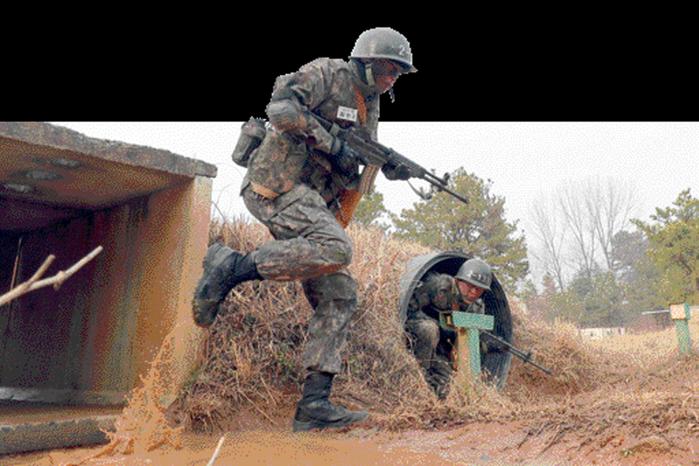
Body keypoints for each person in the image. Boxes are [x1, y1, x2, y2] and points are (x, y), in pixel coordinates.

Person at [191, 27, 417, 432]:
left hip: (309, 201)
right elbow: (280, 109)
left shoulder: (372, 106)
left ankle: (314, 406)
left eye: (399, 73)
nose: (392, 78)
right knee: (337, 247)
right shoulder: (327, 74)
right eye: (388, 68)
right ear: (366, 62)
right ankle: (230, 266)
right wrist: (332, 143)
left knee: (340, 292)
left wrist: (386, 167)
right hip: (276, 183)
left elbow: (355, 160)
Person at [405, 258, 493, 399]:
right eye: (470, 286)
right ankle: (417, 380)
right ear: (458, 281)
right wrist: (439, 323)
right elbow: (408, 309)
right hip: (417, 337)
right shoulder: (439, 286)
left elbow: (474, 337)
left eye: (479, 289)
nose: (473, 292)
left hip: (441, 350)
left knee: (447, 389)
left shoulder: (476, 307)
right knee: (429, 329)